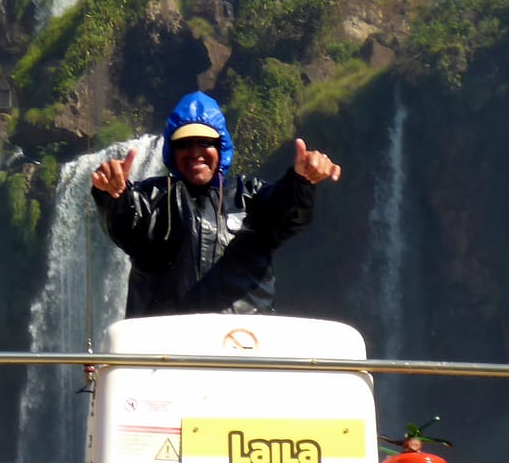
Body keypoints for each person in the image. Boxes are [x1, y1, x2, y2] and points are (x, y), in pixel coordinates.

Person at [90, 91, 341, 318]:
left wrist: (301, 182)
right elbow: (125, 222)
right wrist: (115, 194)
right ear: (172, 152)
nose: (195, 151)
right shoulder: (152, 196)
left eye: (205, 142)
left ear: (221, 148)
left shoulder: (249, 196)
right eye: (184, 144)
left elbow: (287, 212)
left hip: (241, 348)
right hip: (164, 353)